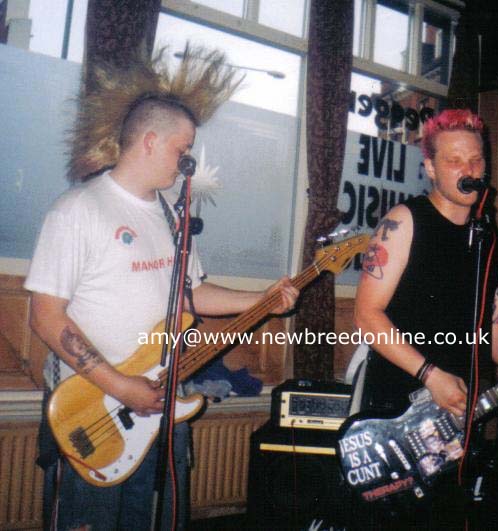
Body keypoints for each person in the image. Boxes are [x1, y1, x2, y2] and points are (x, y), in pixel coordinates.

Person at [25, 49, 298, 530]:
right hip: (93, 408)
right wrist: (121, 386)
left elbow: (191, 294)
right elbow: (45, 317)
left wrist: (262, 302)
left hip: (160, 401)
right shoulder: (78, 210)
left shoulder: (170, 215)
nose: (187, 161)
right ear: (150, 141)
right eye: (182, 149)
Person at [353, 108, 498, 528]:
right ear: (430, 168)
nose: (468, 170)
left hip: (458, 417)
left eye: (475, 160)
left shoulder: (496, 245)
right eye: (454, 160)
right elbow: (366, 316)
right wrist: (430, 374)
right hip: (397, 409)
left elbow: (497, 336)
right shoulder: (404, 222)